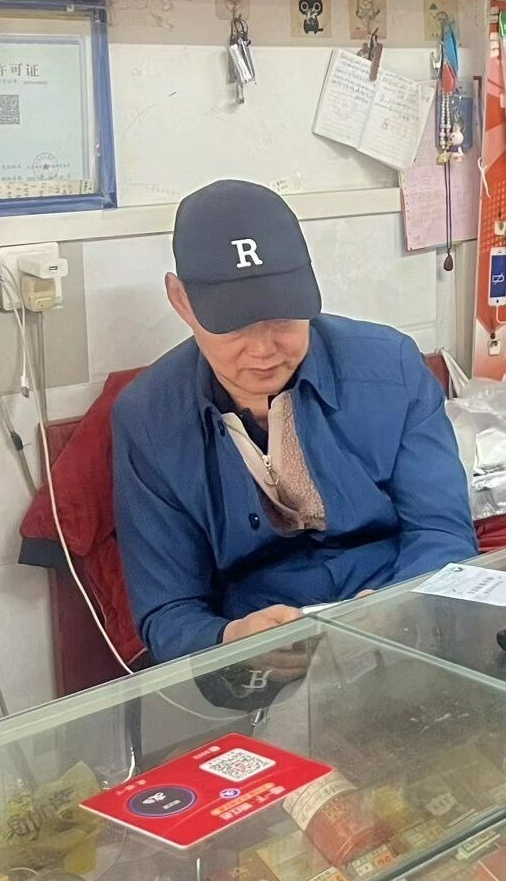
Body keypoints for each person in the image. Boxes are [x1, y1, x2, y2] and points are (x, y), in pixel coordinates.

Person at [114, 180, 474, 662]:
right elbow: (168, 609)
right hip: (259, 658)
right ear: (182, 301)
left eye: (283, 317)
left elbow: (443, 534)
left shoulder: (391, 369)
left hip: (402, 626)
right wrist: (230, 643)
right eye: (234, 325)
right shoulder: (148, 419)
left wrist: (400, 604)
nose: (264, 349)